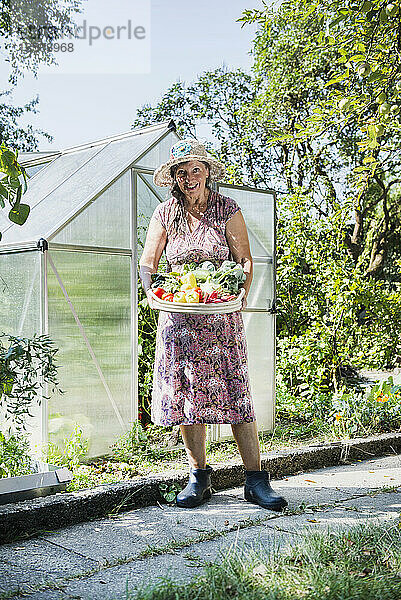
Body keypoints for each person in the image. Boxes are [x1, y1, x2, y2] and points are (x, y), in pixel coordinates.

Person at [139, 138, 287, 511]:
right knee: (186, 396)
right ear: (174, 178)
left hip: (221, 318)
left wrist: (238, 297)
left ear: (207, 173)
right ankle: (199, 478)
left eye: (195, 170)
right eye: (181, 172)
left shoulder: (226, 208)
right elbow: (148, 263)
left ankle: (255, 481)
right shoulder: (165, 214)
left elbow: (245, 260)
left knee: (236, 393)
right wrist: (154, 293)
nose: (189, 178)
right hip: (180, 320)